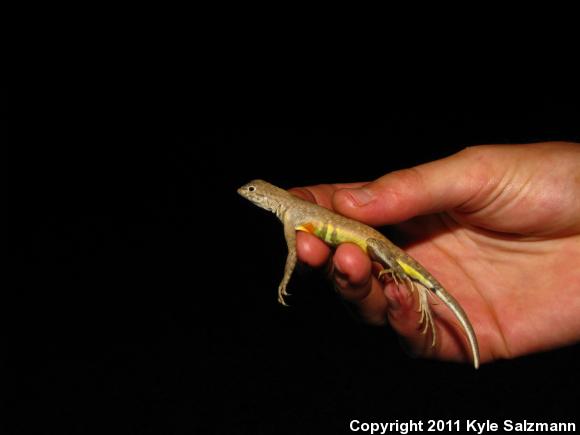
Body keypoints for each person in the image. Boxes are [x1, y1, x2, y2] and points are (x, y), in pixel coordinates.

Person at [290, 142, 580, 365]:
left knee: (385, 264)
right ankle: (421, 294)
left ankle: (415, 286)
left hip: (387, 251)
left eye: (253, 191)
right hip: (385, 251)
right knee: (390, 280)